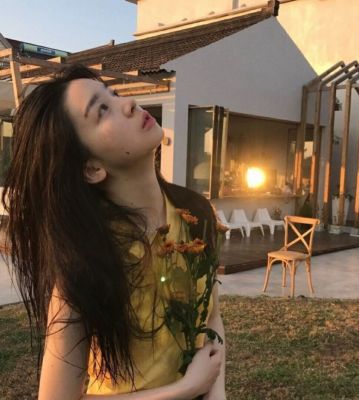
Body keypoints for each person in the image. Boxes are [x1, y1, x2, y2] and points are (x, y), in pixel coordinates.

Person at [1, 65, 226, 399]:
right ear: (92, 168)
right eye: (102, 110)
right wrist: (186, 388)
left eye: (115, 94)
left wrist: (216, 393)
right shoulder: (87, 260)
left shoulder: (195, 213)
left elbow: (212, 316)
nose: (130, 103)